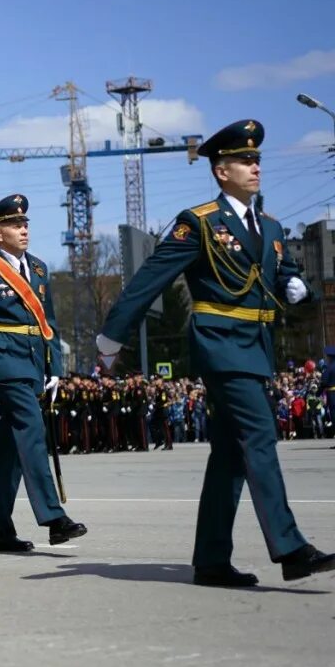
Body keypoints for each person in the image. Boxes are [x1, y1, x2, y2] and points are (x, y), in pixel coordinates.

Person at [98, 119, 335, 586]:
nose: (255, 167)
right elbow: (152, 278)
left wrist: (295, 284)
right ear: (221, 170)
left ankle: (210, 560)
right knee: (261, 437)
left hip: (258, 347)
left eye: (257, 160)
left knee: (228, 455)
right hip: (221, 345)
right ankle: (290, 548)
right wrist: (112, 336)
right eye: (245, 161)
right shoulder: (200, 222)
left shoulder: (270, 225)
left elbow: (285, 269)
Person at [0, 194, 87, 552]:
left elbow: (48, 322)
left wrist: (54, 367)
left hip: (31, 360)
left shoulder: (38, 268)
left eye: (25, 224)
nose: (23, 230)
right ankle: (54, 518)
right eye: (14, 225)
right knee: (31, 427)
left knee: (12, 447)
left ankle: (0, 532)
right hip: (1, 359)